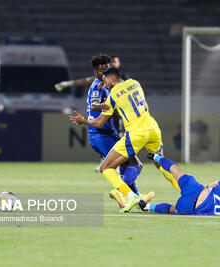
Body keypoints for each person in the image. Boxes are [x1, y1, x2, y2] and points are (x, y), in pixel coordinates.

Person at [69, 67, 180, 212]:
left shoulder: (113, 94)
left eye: (105, 81)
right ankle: (185, 191)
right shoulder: (136, 83)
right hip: (152, 128)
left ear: (113, 78)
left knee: (105, 168)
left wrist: (84, 121)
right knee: (161, 163)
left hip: (136, 133)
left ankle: (128, 195)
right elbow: (128, 104)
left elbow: (99, 122)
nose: (104, 84)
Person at [73, 54, 152, 208]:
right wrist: (111, 106)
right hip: (101, 134)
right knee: (135, 164)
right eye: (102, 71)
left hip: (107, 133)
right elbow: (95, 104)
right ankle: (123, 193)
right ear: (95, 72)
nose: (105, 74)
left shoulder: (108, 86)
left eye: (107, 69)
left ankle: (137, 201)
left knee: (126, 165)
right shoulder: (98, 86)